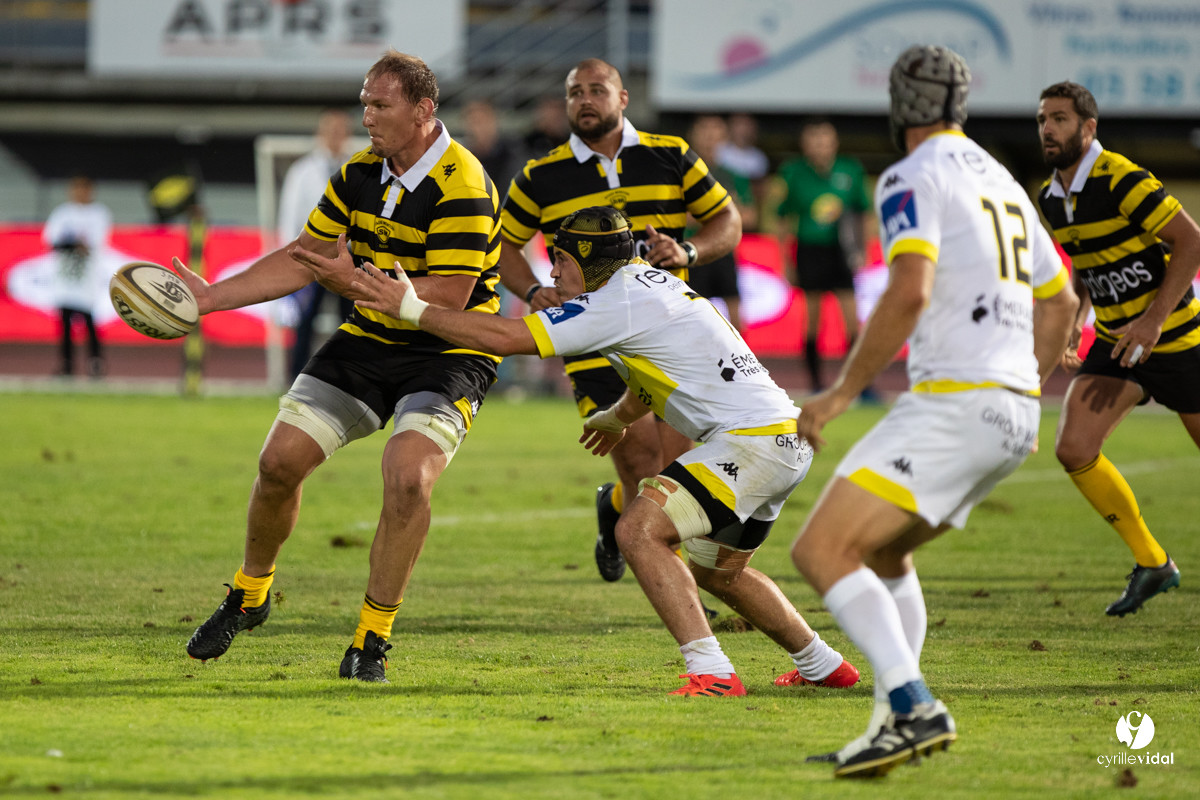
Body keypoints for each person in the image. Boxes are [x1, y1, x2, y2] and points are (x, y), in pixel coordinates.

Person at [341, 205, 860, 696]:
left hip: (752, 443)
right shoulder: (646, 286)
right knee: (717, 572)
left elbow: (504, 337)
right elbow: (655, 370)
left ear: (587, 262)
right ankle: (823, 665)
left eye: (561, 260)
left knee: (637, 531)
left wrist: (411, 308)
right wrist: (616, 418)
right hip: (781, 440)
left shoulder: (615, 302)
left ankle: (712, 671)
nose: (553, 273)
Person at [789, 46, 1078, 778]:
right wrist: (1025, 388)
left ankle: (915, 705)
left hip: (956, 401)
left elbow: (909, 290)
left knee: (820, 551)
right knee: (885, 553)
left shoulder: (911, 175)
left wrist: (839, 394)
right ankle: (893, 722)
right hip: (1009, 412)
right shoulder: (1003, 180)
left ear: (901, 106)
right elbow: (1062, 301)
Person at [175, 50, 503, 683]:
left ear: (423, 110)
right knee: (278, 463)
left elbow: (448, 295)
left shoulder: (463, 184)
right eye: (364, 104)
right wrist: (213, 296)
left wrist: (352, 281)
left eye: (380, 105)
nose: (367, 117)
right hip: (370, 338)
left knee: (408, 478)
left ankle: (371, 640)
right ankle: (250, 592)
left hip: (449, 349)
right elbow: (306, 255)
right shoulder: (358, 172)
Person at [497, 58, 742, 585]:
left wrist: (689, 251)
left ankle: (620, 513)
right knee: (640, 462)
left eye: (597, 89)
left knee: (678, 466)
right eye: (575, 92)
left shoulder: (671, 153)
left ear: (623, 98)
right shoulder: (541, 175)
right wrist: (534, 290)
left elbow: (728, 219)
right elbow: (502, 243)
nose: (585, 100)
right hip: (592, 338)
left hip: (669, 335)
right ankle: (679, 588)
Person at [1035, 81, 1199, 616]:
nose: (1048, 129)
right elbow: (1088, 262)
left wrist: (1153, 321)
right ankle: (1153, 562)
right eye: (1043, 120)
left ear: (1089, 127)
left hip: (1176, 341)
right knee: (1073, 447)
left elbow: (1191, 240)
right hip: (1115, 342)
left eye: (1060, 119)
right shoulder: (1051, 198)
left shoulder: (1122, 178)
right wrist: (1078, 316)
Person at [775, 119, 873, 392]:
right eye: (814, 139)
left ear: (834, 142)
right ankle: (816, 383)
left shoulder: (850, 170)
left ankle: (859, 385)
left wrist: (862, 249)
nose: (819, 145)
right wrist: (785, 260)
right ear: (805, 144)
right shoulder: (793, 172)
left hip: (841, 251)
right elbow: (783, 217)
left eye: (824, 139)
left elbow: (863, 213)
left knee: (852, 320)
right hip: (809, 250)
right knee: (813, 320)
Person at [277, 108, 357, 381]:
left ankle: (349, 377)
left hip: (350, 258)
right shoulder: (302, 171)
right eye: (331, 130)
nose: (336, 136)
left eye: (341, 130)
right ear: (320, 133)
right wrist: (290, 258)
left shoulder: (359, 168)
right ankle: (296, 377)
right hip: (312, 257)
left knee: (352, 322)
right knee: (305, 320)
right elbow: (289, 216)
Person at [42, 175, 111, 378]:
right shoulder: (62, 213)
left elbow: (92, 244)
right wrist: (74, 244)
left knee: (89, 321)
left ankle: (95, 363)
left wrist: (69, 243)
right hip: (65, 276)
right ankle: (67, 365)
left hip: (87, 277)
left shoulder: (99, 213)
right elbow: (52, 241)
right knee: (64, 322)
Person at [686, 115, 744, 331]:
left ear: (724, 136)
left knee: (735, 309)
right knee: (692, 314)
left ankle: (740, 351)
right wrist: (723, 214)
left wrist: (703, 214)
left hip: (723, 251)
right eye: (704, 129)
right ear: (693, 135)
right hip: (693, 252)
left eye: (715, 129)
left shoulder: (732, 175)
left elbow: (749, 215)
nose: (710, 135)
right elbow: (678, 216)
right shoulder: (681, 174)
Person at [460, 98, 522, 189]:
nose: (479, 128)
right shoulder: (461, 158)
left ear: (495, 121)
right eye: (474, 121)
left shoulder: (515, 156)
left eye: (483, 120)